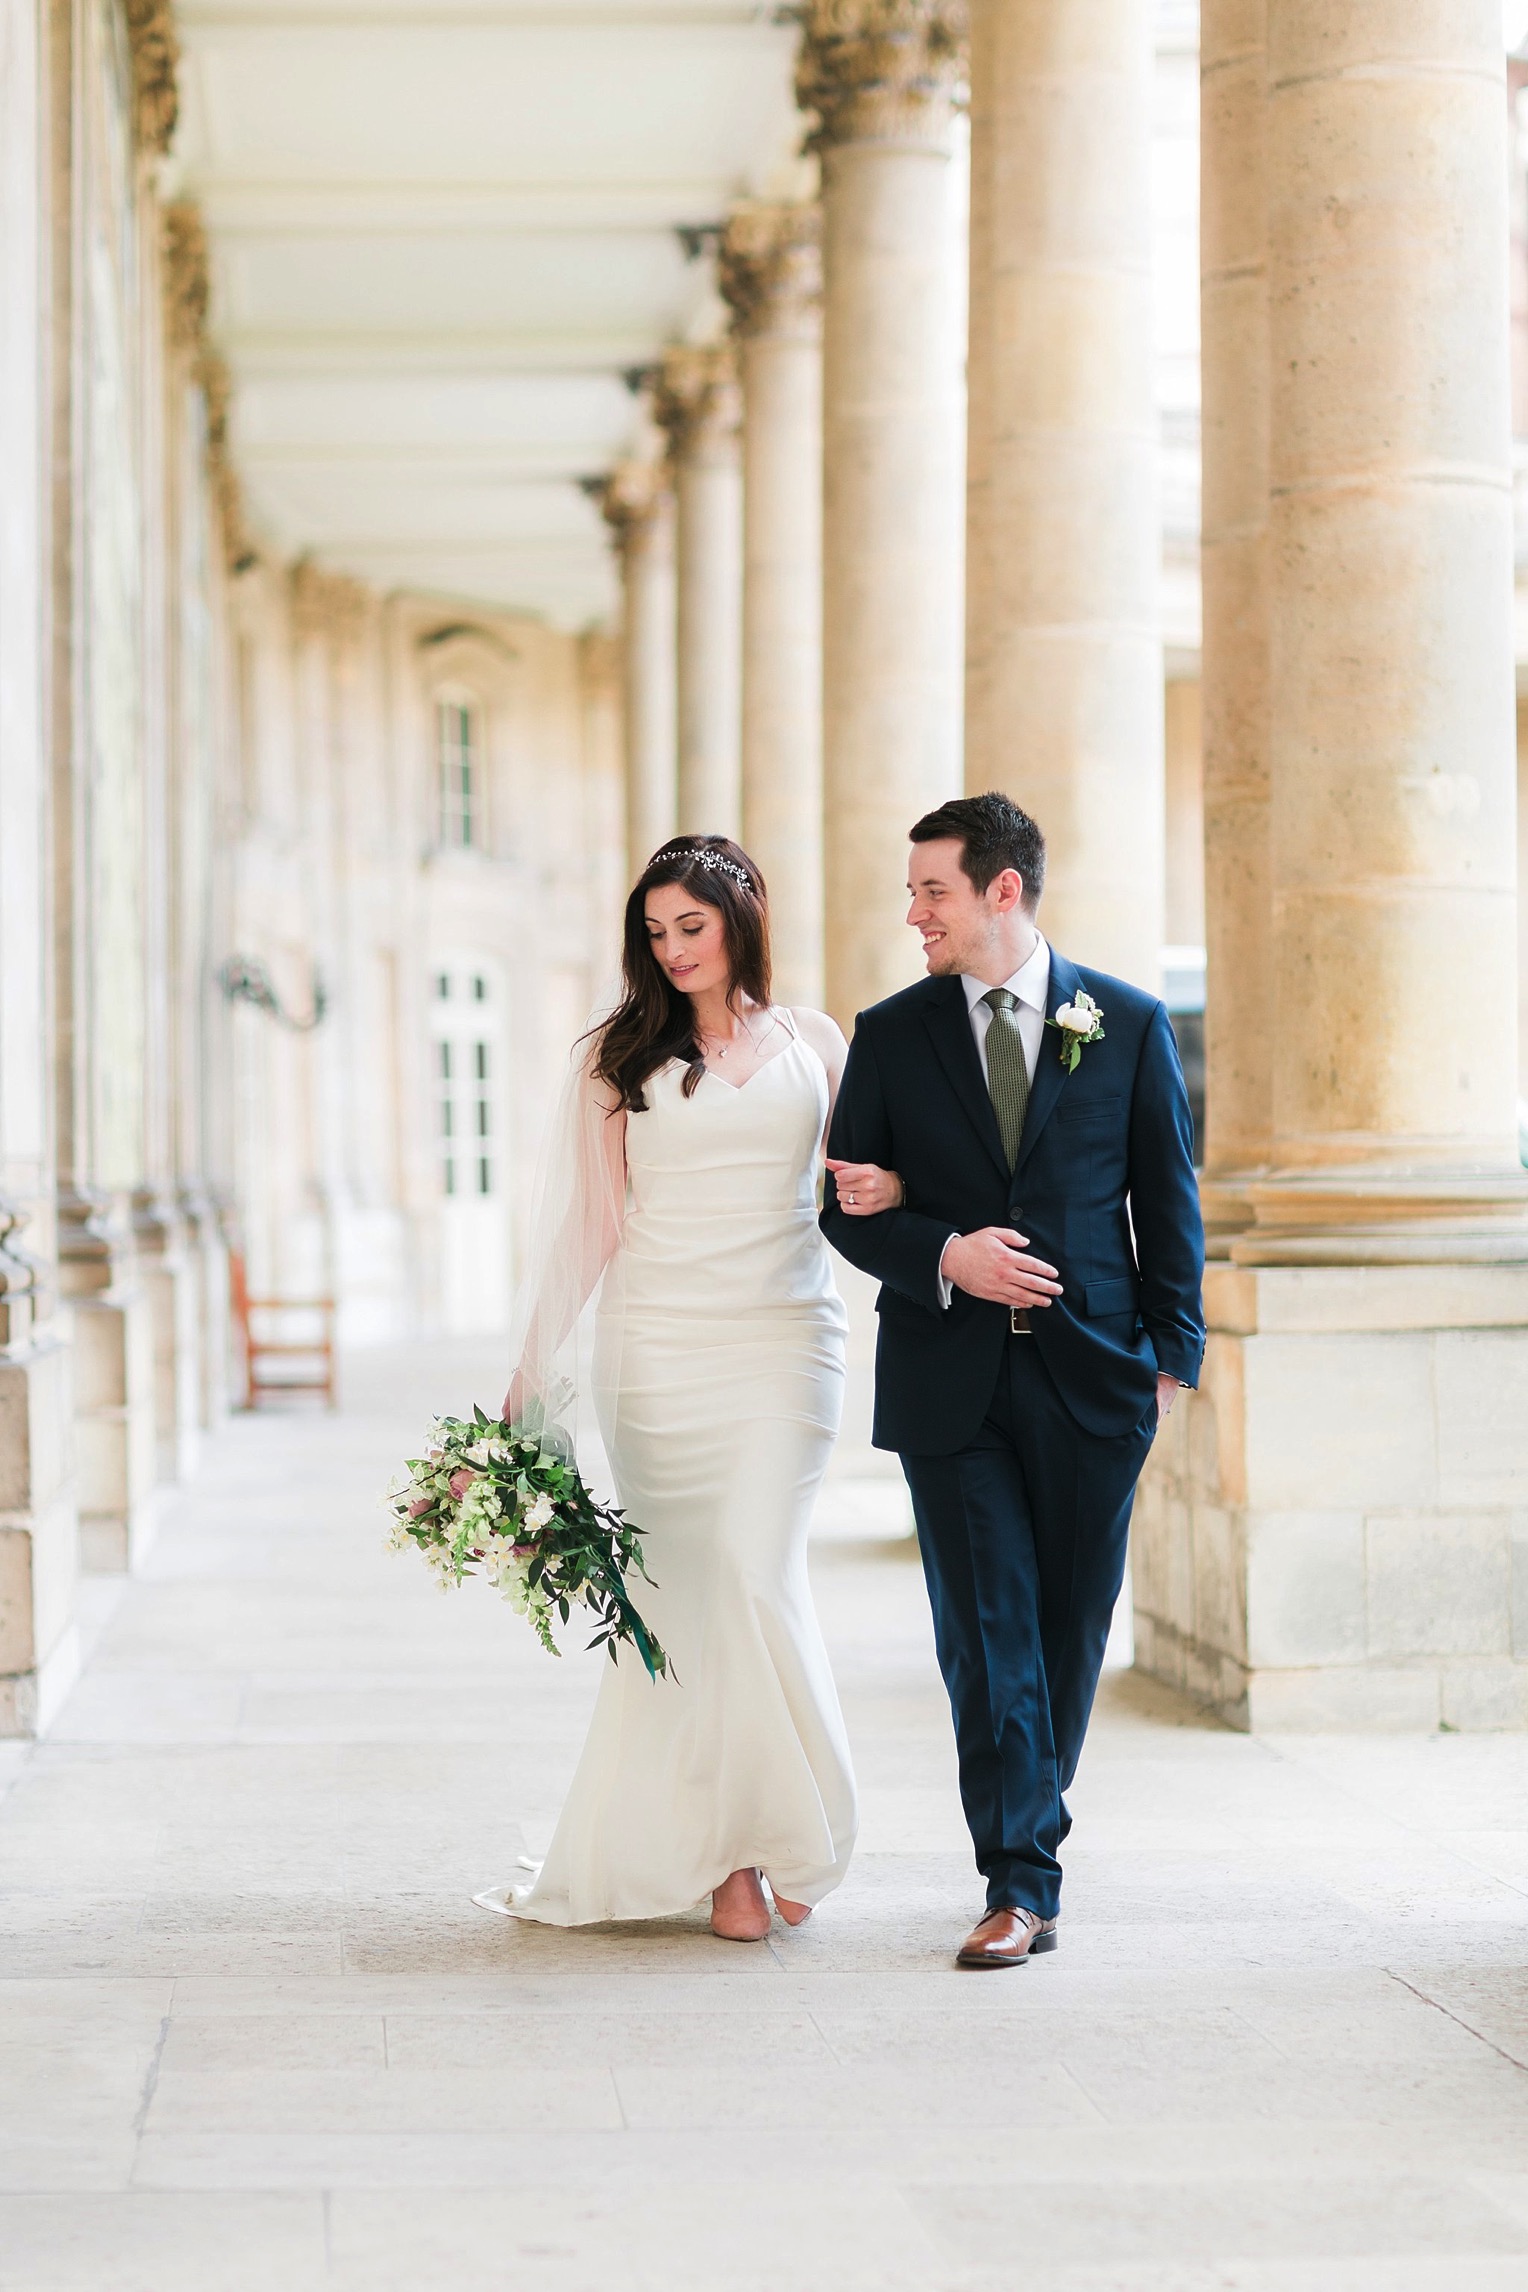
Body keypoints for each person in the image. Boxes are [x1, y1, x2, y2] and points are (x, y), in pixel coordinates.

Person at [821, 792, 1205, 1969]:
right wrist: (945, 1250)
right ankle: (1019, 1879)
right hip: (952, 1384)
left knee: (1068, 1629)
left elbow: (1166, 1200)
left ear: (1001, 890)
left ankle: (1027, 1825)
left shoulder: (1125, 1023)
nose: (912, 913)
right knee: (986, 1634)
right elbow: (841, 1211)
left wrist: (1171, 1362)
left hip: (1099, 1379)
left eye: (931, 890)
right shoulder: (890, 1034)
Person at [480, 835, 858, 1941]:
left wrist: (885, 1186)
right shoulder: (617, 1058)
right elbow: (590, 1226)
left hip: (788, 1345)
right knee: (686, 1603)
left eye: (691, 925)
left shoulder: (817, 1043)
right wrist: (529, 1363)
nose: (674, 948)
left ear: (741, 916)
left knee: (753, 1572)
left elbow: (853, 1189)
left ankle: (783, 1831)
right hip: (657, 1359)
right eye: (656, 932)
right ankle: (735, 1859)